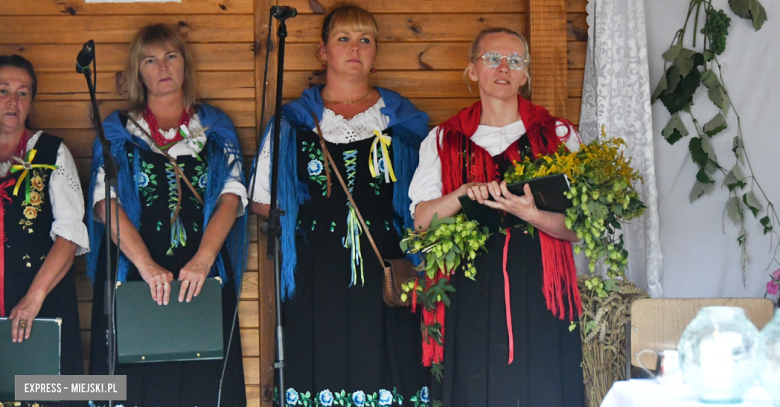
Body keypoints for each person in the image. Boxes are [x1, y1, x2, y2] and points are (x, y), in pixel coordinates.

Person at [251, 4, 430, 405]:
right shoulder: (293, 122)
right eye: (344, 39)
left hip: (387, 269)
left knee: (388, 367)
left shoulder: (404, 124)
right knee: (320, 362)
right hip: (318, 271)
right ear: (323, 52)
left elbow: (428, 199)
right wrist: (310, 222)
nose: (355, 48)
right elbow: (262, 199)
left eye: (365, 40)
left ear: (376, 51)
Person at [408, 27, 586, 406]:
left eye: (515, 61)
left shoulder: (558, 135)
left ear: (525, 75)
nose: (503, 67)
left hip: (542, 288)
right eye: (492, 58)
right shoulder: (442, 139)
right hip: (468, 291)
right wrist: (460, 193)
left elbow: (579, 229)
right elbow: (421, 223)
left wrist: (533, 215)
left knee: (542, 387)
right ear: (473, 70)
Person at [86, 24, 248, 407]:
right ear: (137, 72)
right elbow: (103, 202)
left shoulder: (214, 128)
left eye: (171, 56)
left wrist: (204, 261)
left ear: (185, 65)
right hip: (132, 277)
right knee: (132, 387)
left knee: (202, 384)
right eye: (150, 59)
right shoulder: (117, 131)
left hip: (201, 278)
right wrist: (145, 265)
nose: (162, 66)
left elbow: (231, 197)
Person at [0, 54, 89, 406]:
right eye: (3, 90)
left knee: (46, 394)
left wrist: (34, 298)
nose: (12, 100)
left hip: (42, 300)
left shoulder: (52, 152)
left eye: (23, 93)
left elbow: (69, 235)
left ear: (31, 102)